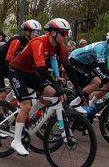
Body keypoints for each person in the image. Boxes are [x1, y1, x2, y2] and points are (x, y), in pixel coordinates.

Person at [7, 18, 82, 156]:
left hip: (30, 72)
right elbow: (42, 69)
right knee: (26, 105)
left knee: (52, 95)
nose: (66, 37)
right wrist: (55, 84)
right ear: (53, 33)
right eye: (63, 34)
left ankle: (29, 117)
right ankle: (16, 140)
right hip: (17, 71)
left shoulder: (59, 46)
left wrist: (79, 89)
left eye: (67, 34)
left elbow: (69, 68)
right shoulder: (39, 42)